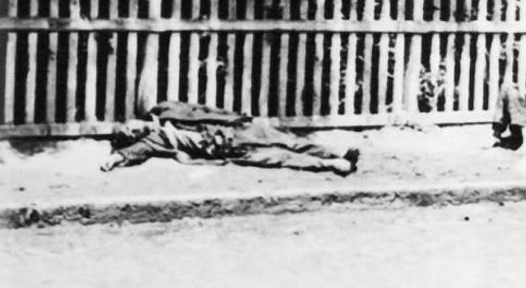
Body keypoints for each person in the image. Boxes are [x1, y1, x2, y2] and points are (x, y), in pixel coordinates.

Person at [101, 101, 359, 175]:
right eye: (130, 135)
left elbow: (204, 110)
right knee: (280, 156)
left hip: (238, 127)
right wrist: (115, 158)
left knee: (291, 140)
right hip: (227, 148)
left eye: (131, 126)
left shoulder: (164, 109)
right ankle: (333, 165)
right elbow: (132, 153)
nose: (135, 130)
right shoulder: (155, 140)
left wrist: (241, 117)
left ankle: (335, 153)